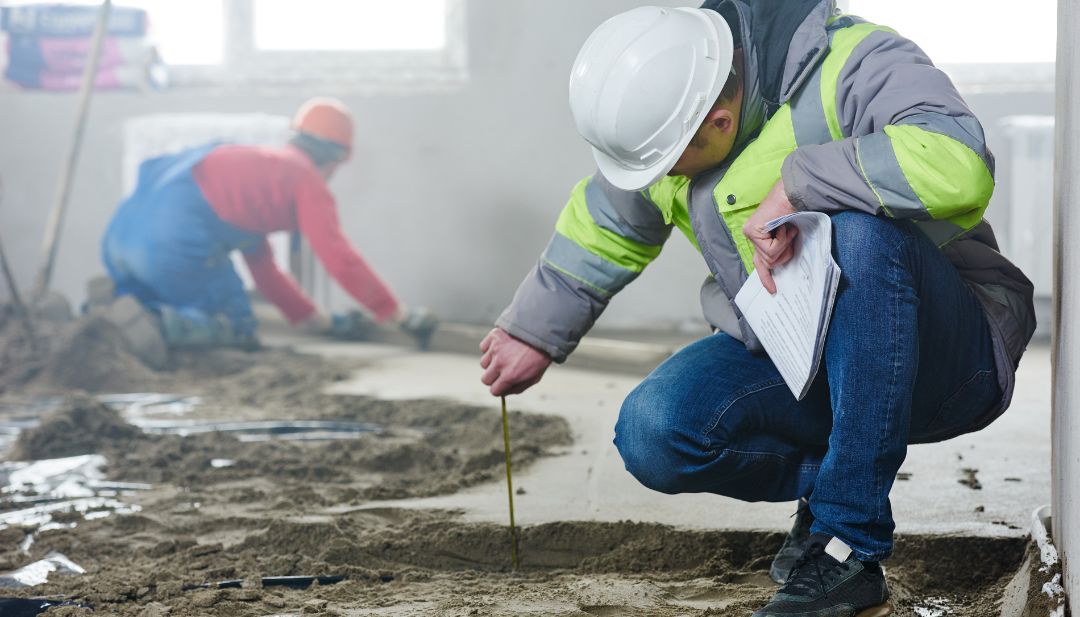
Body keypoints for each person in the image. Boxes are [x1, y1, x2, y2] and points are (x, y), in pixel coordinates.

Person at [479, 3, 1036, 616]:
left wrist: (802, 183)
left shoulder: (856, 61)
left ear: (719, 122)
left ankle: (847, 544)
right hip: (801, 353)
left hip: (949, 359)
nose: (659, 178)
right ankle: (841, 478)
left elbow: (958, 161)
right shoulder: (672, 119)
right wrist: (532, 331)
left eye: (667, 164)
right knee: (655, 432)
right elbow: (607, 222)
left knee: (856, 236)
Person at [101, 97, 437, 351]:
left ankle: (107, 314)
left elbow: (265, 271)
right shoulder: (304, 177)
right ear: (335, 160)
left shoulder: (257, 172)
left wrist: (317, 322)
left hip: (120, 240)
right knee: (236, 325)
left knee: (147, 298)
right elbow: (339, 257)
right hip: (168, 241)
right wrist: (396, 313)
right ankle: (156, 326)